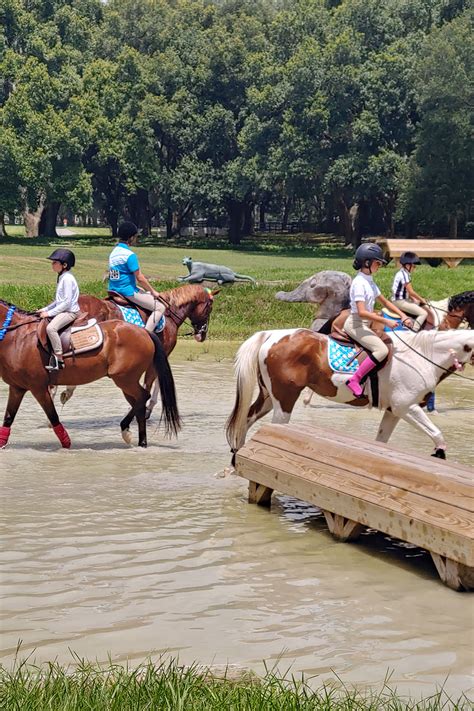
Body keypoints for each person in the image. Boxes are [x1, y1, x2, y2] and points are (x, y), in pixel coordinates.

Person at [343, 243, 413, 398]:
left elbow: (386, 302)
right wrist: (387, 322)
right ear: (367, 263)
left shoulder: (369, 282)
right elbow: (362, 312)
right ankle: (355, 379)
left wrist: (403, 316)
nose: (379, 266)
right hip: (355, 324)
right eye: (377, 263)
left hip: (365, 323)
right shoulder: (359, 283)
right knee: (381, 350)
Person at [108, 221, 165, 333]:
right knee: (160, 307)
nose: (136, 239)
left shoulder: (114, 252)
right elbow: (140, 278)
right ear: (131, 237)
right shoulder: (129, 255)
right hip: (127, 291)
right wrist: (153, 291)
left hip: (113, 289)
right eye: (135, 236)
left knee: (145, 293)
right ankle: (147, 334)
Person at [38, 249, 80, 371]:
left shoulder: (67, 279)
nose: (52, 265)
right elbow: (58, 301)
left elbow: (66, 303)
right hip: (63, 310)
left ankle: (59, 358)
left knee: (51, 328)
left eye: (55, 262)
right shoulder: (62, 277)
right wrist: (44, 309)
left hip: (69, 312)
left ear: (64, 265)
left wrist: (49, 313)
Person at [391, 251, 429, 331]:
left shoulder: (403, 273)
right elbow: (411, 291)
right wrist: (422, 300)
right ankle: (414, 330)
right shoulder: (404, 275)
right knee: (423, 313)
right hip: (400, 301)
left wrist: (415, 299)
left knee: (417, 304)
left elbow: (407, 291)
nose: (414, 268)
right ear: (408, 265)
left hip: (402, 299)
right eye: (414, 266)